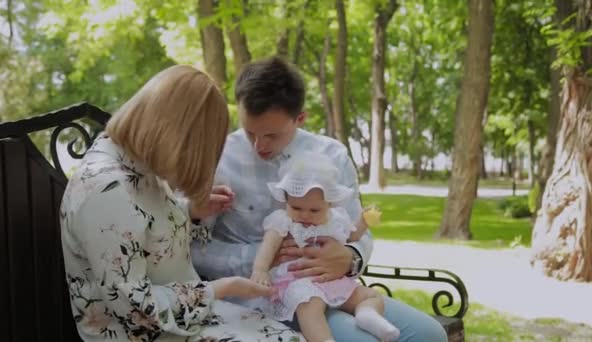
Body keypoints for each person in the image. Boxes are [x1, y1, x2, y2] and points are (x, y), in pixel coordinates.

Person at [191, 56, 447, 342]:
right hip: (262, 298)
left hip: (333, 285)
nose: (259, 145)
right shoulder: (218, 158)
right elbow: (192, 249)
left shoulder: (332, 155)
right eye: (250, 132)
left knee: (430, 334)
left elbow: (358, 234)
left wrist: (350, 257)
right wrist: (260, 259)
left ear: (300, 118)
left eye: (271, 135)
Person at [60, 65, 303, 341]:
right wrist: (219, 289)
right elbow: (135, 312)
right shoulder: (107, 189)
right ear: (175, 139)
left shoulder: (138, 166)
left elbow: (147, 235)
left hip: (186, 319)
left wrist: (190, 212)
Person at [250, 153, 401, 342]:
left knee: (370, 295)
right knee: (310, 306)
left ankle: (368, 315)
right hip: (298, 281)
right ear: (286, 202)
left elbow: (351, 238)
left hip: (331, 279)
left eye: (314, 210)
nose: (304, 215)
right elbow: (268, 246)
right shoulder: (283, 221)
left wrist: (363, 222)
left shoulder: (335, 219)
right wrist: (260, 270)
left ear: (329, 204)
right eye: (296, 208)